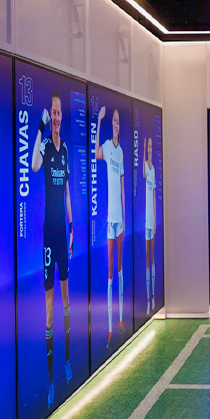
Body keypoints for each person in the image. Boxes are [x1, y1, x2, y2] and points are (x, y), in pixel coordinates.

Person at [31, 92, 73, 407]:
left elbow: (67, 191)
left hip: (63, 235)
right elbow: (33, 166)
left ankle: (68, 360)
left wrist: (72, 226)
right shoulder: (45, 145)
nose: (56, 118)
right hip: (48, 234)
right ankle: (49, 380)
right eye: (53, 114)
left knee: (66, 301)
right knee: (49, 308)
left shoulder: (66, 149)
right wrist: (40, 127)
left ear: (62, 116)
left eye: (58, 114)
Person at [95, 104, 126, 342]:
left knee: (120, 268)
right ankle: (108, 328)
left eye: (117, 121)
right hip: (109, 221)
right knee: (109, 272)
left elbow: (123, 187)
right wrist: (98, 121)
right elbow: (96, 153)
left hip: (120, 221)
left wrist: (124, 217)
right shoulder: (106, 146)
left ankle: (121, 319)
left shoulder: (121, 151)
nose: (115, 124)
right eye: (112, 121)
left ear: (119, 125)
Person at [144, 135, 158, 312]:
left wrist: (155, 220)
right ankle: (148, 298)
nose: (149, 150)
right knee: (146, 258)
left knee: (153, 258)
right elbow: (141, 173)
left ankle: (153, 296)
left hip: (151, 219)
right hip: (144, 221)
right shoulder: (144, 168)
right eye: (147, 147)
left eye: (150, 148)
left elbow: (154, 196)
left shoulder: (153, 169)